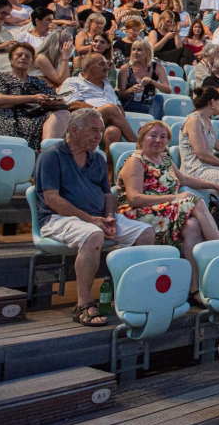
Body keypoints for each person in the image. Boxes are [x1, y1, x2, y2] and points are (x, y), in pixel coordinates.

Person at [34, 109, 155, 325]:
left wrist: (109, 216)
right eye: (93, 130)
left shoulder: (97, 158)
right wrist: (91, 220)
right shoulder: (51, 156)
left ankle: (127, 295)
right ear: (74, 130)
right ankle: (84, 304)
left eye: (100, 131)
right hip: (58, 219)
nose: (99, 136)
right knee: (93, 235)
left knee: (145, 232)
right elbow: (52, 199)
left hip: (97, 218)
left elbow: (107, 194)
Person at [117, 121, 219, 300]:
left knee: (192, 224)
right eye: (152, 135)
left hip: (166, 211)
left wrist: (216, 186)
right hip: (139, 215)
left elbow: (185, 180)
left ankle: (193, 289)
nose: (158, 140)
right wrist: (174, 198)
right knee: (196, 202)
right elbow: (134, 199)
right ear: (142, 137)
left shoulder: (165, 159)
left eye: (163, 137)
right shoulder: (135, 161)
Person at [0, 42, 70, 149]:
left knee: (63, 112)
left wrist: (51, 101)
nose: (23, 58)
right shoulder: (0, 77)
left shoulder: (38, 82)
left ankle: (46, 152)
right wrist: (33, 98)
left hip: (36, 118)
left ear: (31, 62)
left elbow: (60, 100)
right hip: (9, 119)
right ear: (11, 59)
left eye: (27, 56)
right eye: (19, 55)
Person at [58, 53, 137, 150]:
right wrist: (97, 111)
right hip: (82, 120)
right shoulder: (72, 81)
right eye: (102, 64)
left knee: (114, 131)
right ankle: (139, 145)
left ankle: (108, 165)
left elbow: (119, 107)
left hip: (105, 122)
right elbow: (73, 104)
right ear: (88, 67)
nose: (107, 67)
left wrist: (114, 115)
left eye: (106, 64)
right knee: (110, 108)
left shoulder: (107, 85)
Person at [116, 39, 171, 119]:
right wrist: (131, 90)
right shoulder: (125, 68)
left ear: (148, 52)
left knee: (159, 98)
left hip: (147, 104)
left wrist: (152, 82)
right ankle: (153, 123)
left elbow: (168, 90)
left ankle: (153, 123)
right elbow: (120, 94)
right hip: (131, 103)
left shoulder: (157, 67)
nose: (135, 52)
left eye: (139, 50)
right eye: (133, 49)